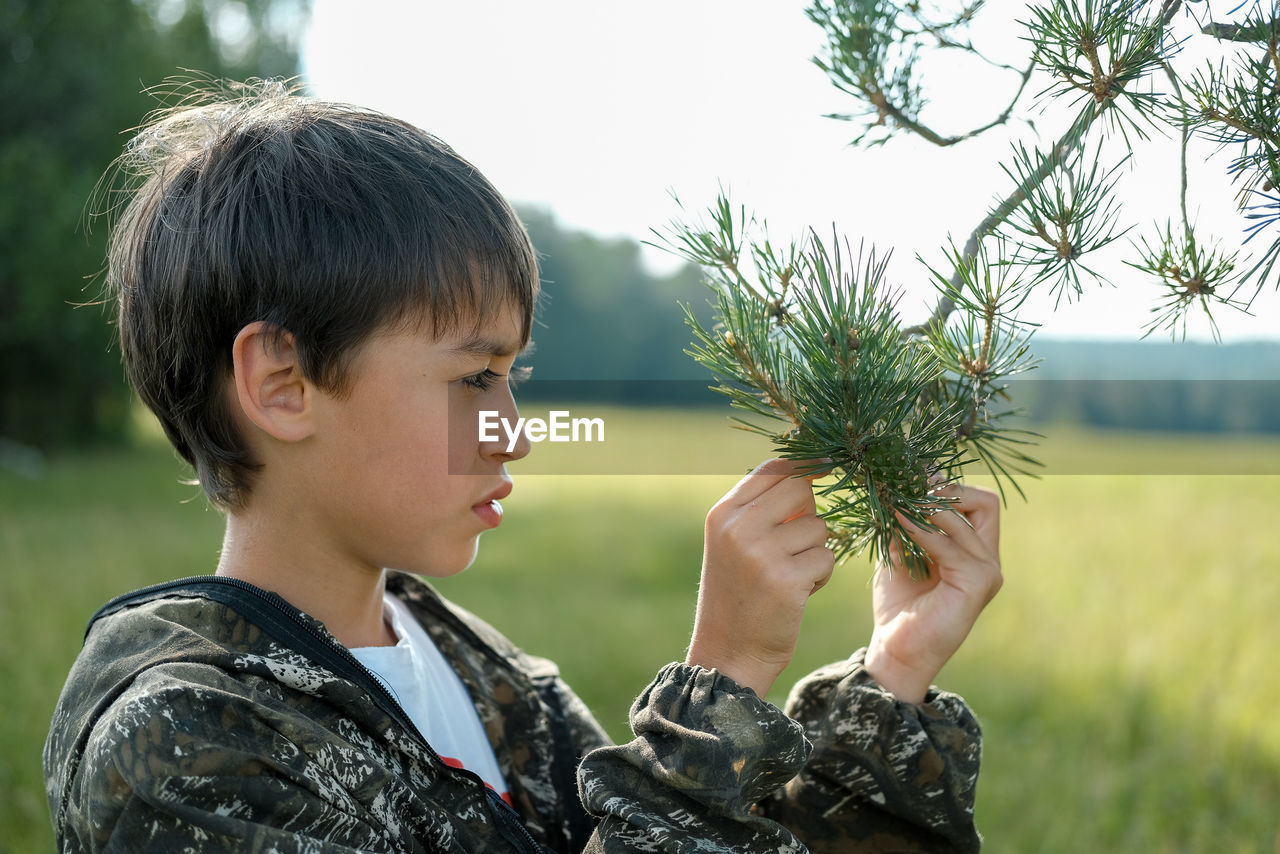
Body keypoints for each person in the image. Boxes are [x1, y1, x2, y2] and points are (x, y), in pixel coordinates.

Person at [43, 79, 1003, 853]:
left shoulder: (482, 672)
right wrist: (723, 678)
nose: (515, 432)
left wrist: (895, 669)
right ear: (283, 381)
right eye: (474, 380)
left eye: (513, 379)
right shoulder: (183, 750)